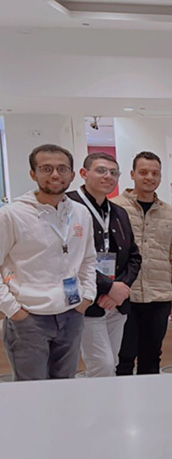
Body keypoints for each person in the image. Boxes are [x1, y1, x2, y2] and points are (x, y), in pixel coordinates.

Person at [0, 144, 96, 380]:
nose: (55, 175)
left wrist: (87, 296)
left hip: (71, 313)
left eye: (62, 169)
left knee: (65, 387)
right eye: (46, 168)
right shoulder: (12, 214)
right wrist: (13, 309)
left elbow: (88, 259)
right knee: (32, 391)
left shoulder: (81, 213)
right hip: (29, 318)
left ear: (72, 175)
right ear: (33, 174)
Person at [67, 152, 142, 378]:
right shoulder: (68, 206)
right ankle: (96, 402)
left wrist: (120, 289)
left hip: (116, 302)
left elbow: (134, 256)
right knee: (103, 365)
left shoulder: (118, 212)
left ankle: (105, 400)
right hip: (86, 301)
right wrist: (108, 287)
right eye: (101, 170)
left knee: (112, 362)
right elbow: (69, 259)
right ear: (83, 173)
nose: (108, 176)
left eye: (113, 173)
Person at [114, 151, 172, 375]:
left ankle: (150, 397)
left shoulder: (170, 214)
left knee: (152, 356)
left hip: (159, 296)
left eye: (155, 173)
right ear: (132, 174)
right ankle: (123, 397)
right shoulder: (116, 208)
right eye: (143, 172)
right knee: (123, 357)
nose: (149, 177)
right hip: (125, 296)